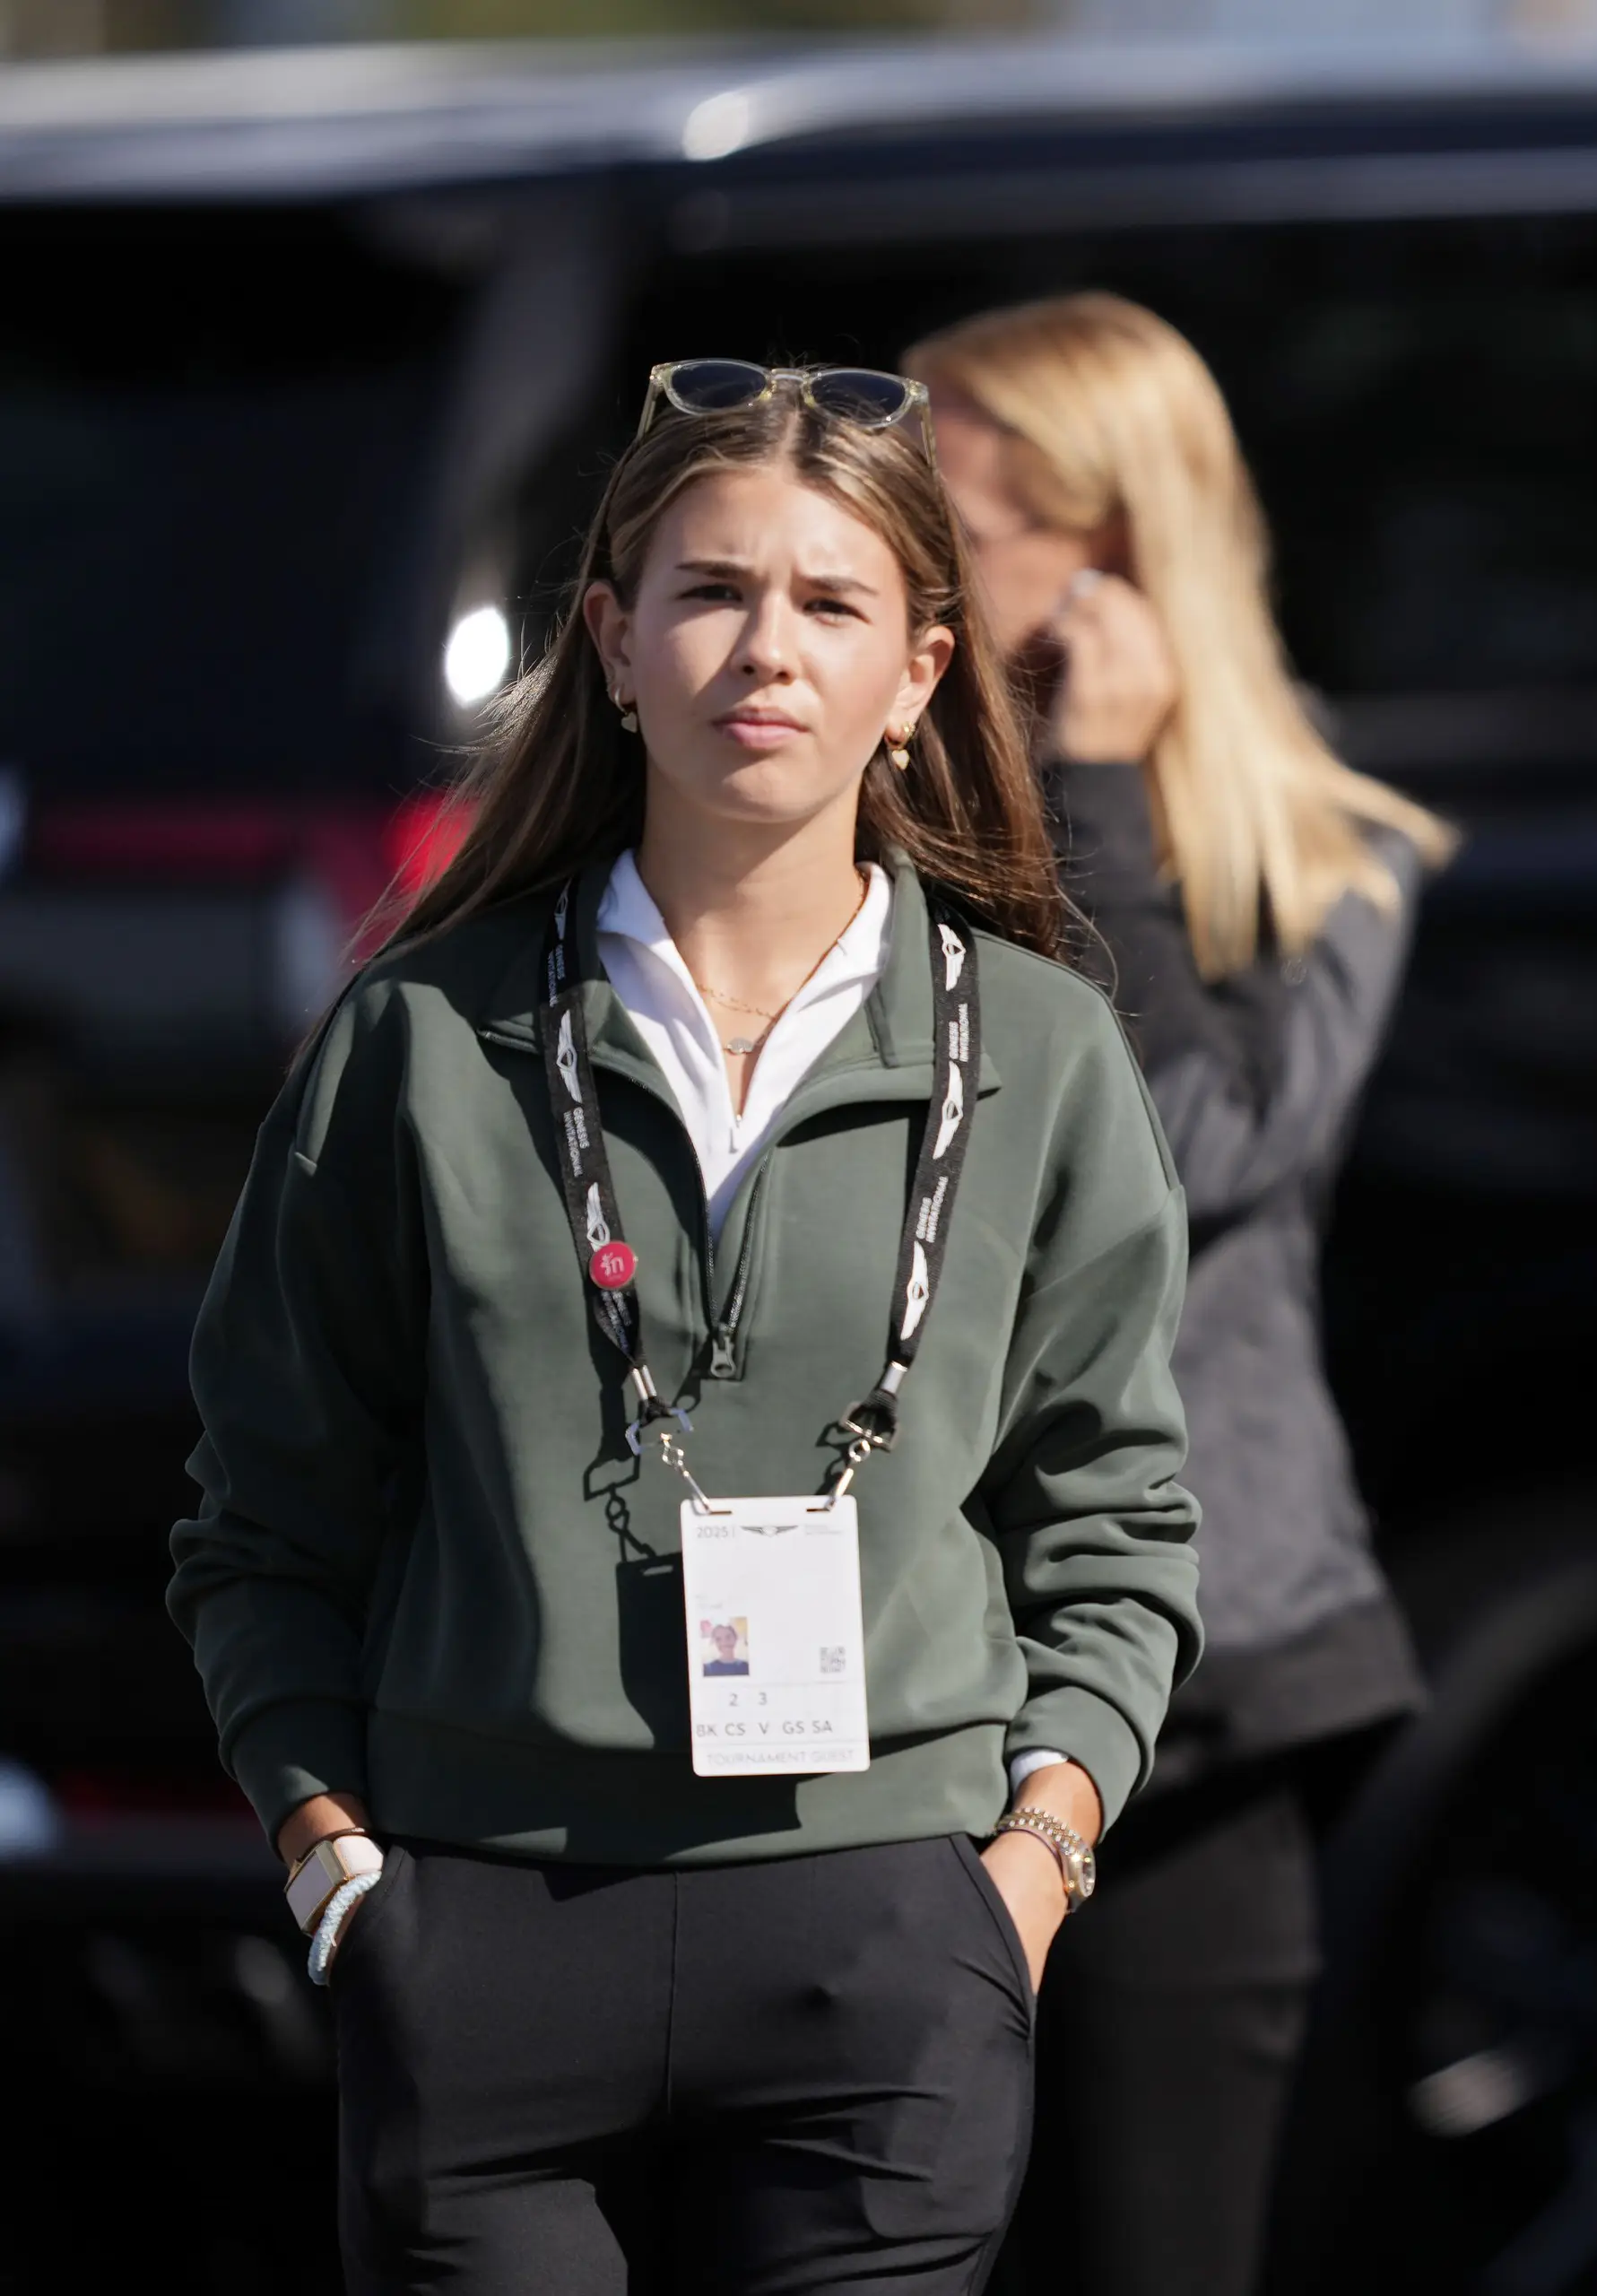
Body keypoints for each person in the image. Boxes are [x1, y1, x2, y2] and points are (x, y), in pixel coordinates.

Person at [167, 357, 1205, 2292]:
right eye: (711, 591)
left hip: (892, 1939)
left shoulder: (1048, 1051)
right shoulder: (416, 1040)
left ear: (919, 673)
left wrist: (1024, 1874)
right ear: (612, 643)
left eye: (831, 604)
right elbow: (264, 1515)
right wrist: (334, 1857)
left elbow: (1119, 1519)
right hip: (477, 1919)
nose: (766, 652)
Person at [904, 293, 1455, 2296]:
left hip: (1197, 1688)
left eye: (947, 514)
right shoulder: (859, 842)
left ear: (1112, 552)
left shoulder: (1321, 865)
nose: (888, 554)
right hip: (887, 1681)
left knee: (1163, 2237)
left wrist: (1108, 810)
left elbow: (1170, 1156)